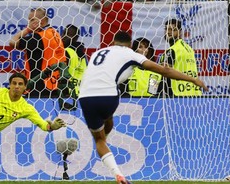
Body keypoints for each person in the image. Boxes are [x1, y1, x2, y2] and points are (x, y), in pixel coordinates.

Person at [78, 31, 208, 184]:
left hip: (85, 95)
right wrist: (193, 80)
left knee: (99, 140)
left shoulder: (97, 53)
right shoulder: (131, 55)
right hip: (108, 96)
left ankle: (117, 174)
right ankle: (113, 162)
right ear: (130, 45)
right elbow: (165, 70)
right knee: (105, 126)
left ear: (113, 42)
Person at [9, 8, 67, 97]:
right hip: (55, 83)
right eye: (29, 20)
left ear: (42, 21)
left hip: (39, 84)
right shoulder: (54, 33)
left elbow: (12, 42)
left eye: (32, 20)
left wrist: (27, 30)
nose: (29, 23)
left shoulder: (38, 38)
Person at [158, 18, 201, 96]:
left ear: (180, 32)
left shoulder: (172, 50)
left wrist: (156, 95)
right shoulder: (189, 49)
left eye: (172, 29)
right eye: (166, 29)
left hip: (177, 95)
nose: (168, 32)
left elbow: (164, 75)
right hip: (193, 94)